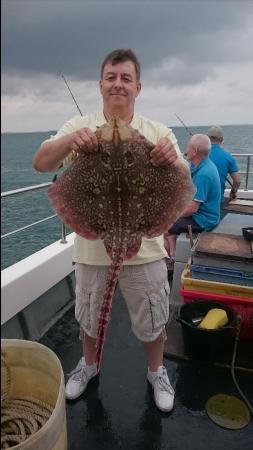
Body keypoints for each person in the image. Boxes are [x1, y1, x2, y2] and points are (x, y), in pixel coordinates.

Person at [33, 49, 190, 413]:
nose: (118, 83)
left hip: (147, 248)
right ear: (101, 84)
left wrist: (170, 158)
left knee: (152, 317)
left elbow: (182, 179)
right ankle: (89, 365)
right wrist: (71, 142)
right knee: (90, 315)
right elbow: (42, 163)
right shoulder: (80, 127)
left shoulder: (157, 131)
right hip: (93, 248)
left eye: (125, 78)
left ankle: (156, 371)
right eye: (111, 77)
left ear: (138, 86)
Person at [164, 134, 221, 262]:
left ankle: (171, 260)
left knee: (163, 228)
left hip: (203, 220)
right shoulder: (198, 166)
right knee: (169, 223)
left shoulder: (204, 174)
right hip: (199, 215)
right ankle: (173, 254)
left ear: (194, 151)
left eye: (188, 147)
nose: (186, 150)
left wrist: (171, 216)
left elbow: (192, 209)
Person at [206, 126, 240, 202]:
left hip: (196, 199)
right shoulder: (228, 157)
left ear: (207, 138)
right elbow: (237, 181)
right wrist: (233, 192)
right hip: (217, 200)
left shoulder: (197, 154)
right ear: (221, 140)